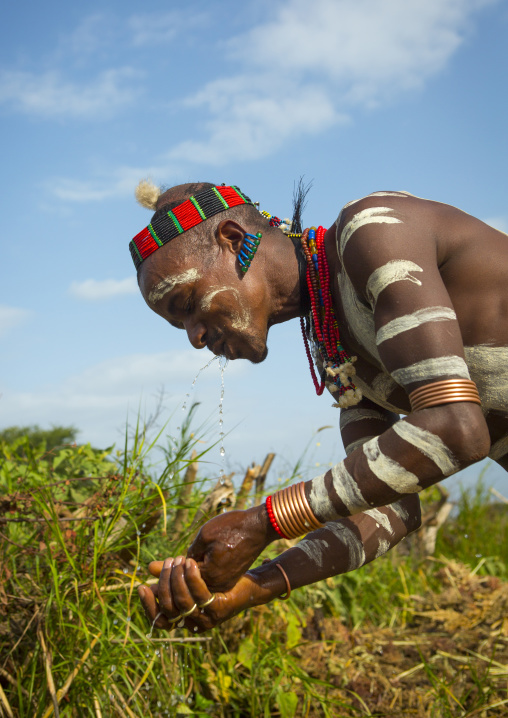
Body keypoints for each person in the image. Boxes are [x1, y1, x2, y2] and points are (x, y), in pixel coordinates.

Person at [132, 180, 506, 633]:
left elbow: (455, 428)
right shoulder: (335, 350)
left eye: (189, 303)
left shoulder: (373, 233)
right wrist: (251, 587)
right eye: (180, 325)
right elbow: (391, 510)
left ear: (231, 241)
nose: (194, 337)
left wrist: (262, 522)